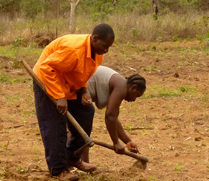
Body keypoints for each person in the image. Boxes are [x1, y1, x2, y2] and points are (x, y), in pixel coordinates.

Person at [33, 24, 114, 180]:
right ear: (95, 38)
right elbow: (46, 68)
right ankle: (59, 170)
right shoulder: (73, 50)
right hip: (47, 82)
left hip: (67, 85)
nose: (106, 50)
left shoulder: (97, 54)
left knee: (86, 111)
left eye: (109, 47)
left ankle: (72, 156)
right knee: (55, 125)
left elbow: (81, 74)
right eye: (105, 46)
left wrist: (84, 91)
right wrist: (59, 96)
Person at [82, 66, 146, 163]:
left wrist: (128, 141)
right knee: (81, 128)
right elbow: (110, 116)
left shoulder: (120, 84)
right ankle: (76, 163)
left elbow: (113, 117)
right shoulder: (121, 86)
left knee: (83, 129)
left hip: (82, 91)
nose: (134, 100)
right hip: (78, 88)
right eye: (136, 95)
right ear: (133, 87)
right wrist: (116, 143)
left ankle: (84, 163)